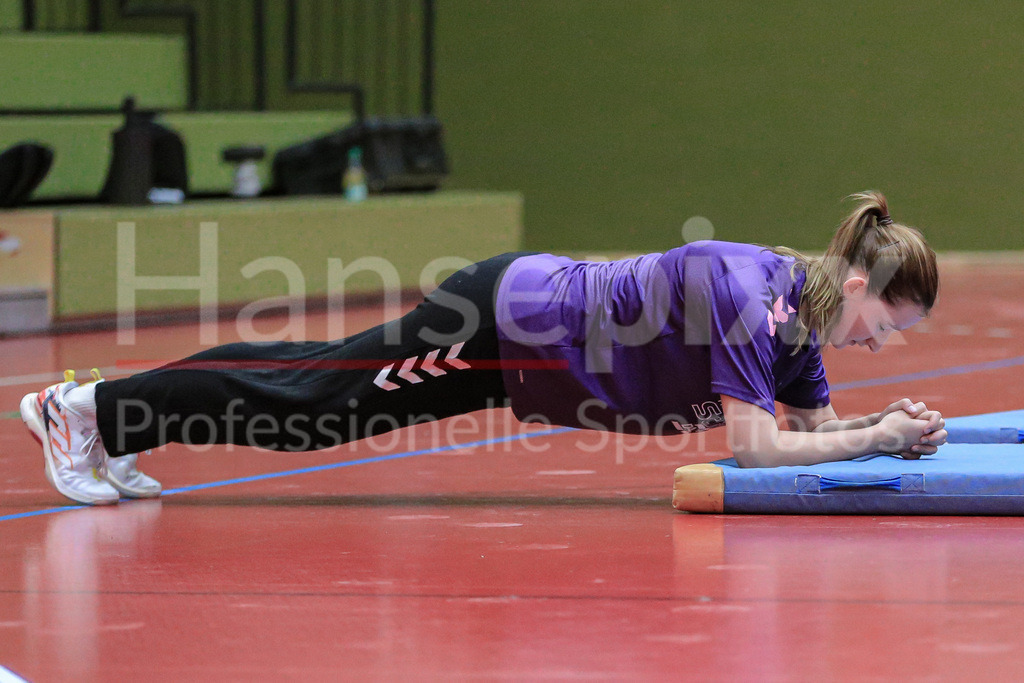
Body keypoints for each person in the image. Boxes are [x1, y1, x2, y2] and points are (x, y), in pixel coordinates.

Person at [21, 190, 947, 505]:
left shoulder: (797, 332)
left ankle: (119, 419)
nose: (884, 343)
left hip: (523, 367)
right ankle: (85, 412)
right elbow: (754, 449)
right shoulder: (752, 293)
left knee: (314, 383)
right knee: (312, 403)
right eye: (888, 324)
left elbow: (812, 431)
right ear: (856, 283)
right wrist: (872, 438)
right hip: (504, 325)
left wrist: (885, 426)